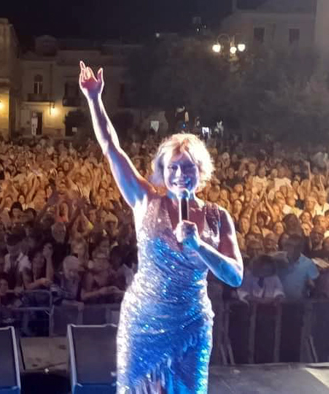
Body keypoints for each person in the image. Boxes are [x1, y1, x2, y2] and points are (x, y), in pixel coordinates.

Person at [79, 61, 243, 394]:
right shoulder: (144, 200)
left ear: (201, 170)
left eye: (188, 167)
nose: (180, 174)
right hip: (144, 320)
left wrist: (199, 246)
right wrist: (94, 100)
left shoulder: (218, 216)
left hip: (191, 323)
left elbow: (235, 276)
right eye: (172, 167)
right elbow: (112, 148)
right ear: (161, 170)